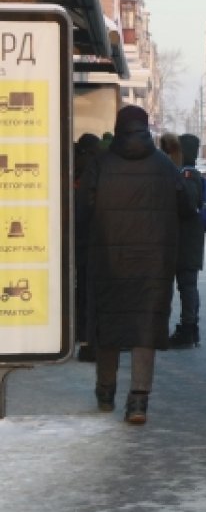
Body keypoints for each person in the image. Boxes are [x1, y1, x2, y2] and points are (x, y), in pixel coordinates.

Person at [80, 105, 191, 424]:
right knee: (145, 328)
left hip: (108, 260)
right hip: (153, 263)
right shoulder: (165, 166)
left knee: (108, 324)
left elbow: (84, 211)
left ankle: (105, 392)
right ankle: (139, 402)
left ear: (118, 127)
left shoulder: (100, 164)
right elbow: (186, 206)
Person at [165, 133, 206, 348]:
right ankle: (190, 329)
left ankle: (188, 329)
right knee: (187, 286)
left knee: (186, 287)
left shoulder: (187, 175)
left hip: (185, 242)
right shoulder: (190, 174)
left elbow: (188, 205)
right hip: (187, 241)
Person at [72, 133, 102, 363]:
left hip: (82, 242)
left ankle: (83, 337)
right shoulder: (98, 169)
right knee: (89, 294)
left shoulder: (84, 171)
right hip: (94, 244)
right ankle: (87, 339)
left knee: (83, 293)